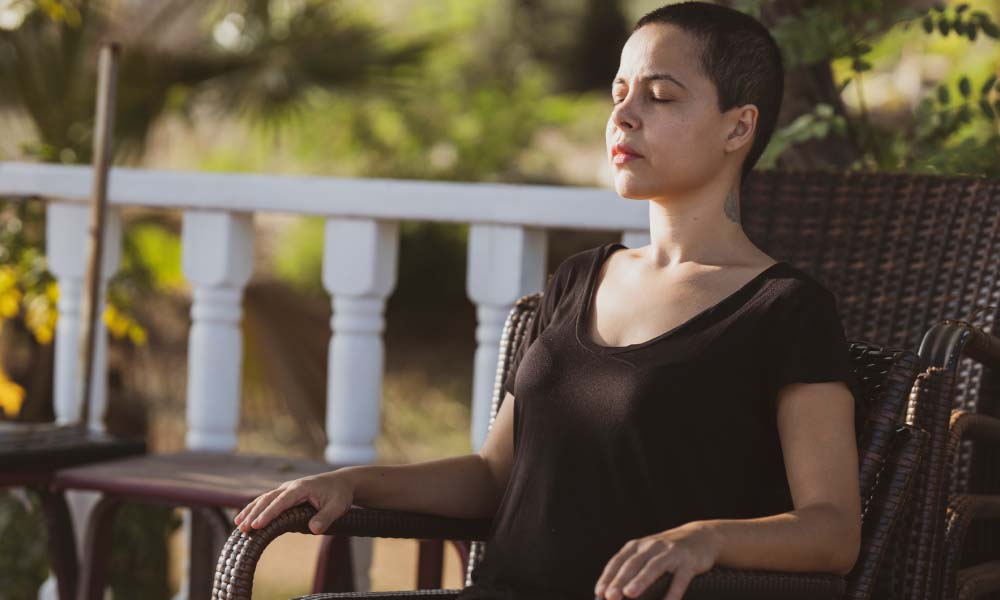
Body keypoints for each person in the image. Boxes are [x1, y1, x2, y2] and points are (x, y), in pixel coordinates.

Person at [233, 2, 864, 599]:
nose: (624, 116)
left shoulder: (785, 310)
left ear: (738, 127)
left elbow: (833, 530)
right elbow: (493, 477)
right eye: (619, 94)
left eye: (661, 95)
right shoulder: (578, 280)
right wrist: (353, 481)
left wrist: (706, 539)